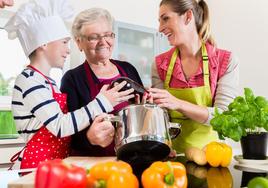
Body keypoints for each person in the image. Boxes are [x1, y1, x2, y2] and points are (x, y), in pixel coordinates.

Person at [4, 0, 134, 169]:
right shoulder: (30, 80)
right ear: (43, 43)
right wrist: (102, 102)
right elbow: (60, 126)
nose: (68, 49)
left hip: (56, 163)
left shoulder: (46, 81)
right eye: (65, 42)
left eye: (108, 34)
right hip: (37, 166)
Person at [149, 0, 239, 153]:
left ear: (188, 16)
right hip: (172, 156)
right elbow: (161, 116)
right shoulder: (160, 64)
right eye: (159, 21)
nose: (160, 28)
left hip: (211, 157)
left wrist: (178, 103)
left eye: (165, 18)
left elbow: (223, 117)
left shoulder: (224, 61)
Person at [60, 8, 143, 156]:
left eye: (108, 35)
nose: (103, 42)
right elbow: (67, 132)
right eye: (94, 37)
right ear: (79, 43)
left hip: (132, 158)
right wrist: (89, 138)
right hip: (92, 163)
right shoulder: (72, 79)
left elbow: (143, 115)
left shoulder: (128, 69)